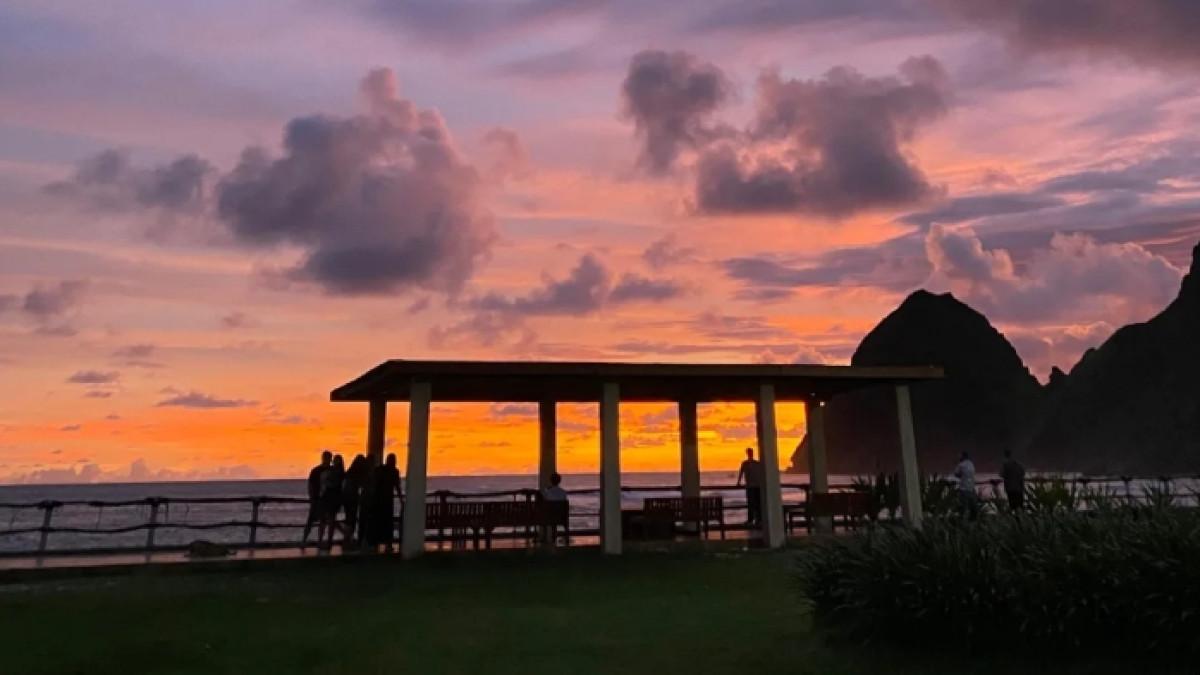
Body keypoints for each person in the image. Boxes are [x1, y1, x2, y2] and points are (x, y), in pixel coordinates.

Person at [366, 453, 402, 551]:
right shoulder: (393, 471)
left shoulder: (380, 470)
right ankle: (386, 543)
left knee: (380, 522)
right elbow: (397, 486)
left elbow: (374, 484)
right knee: (386, 523)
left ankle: (377, 543)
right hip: (385, 500)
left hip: (380, 500)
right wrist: (401, 499)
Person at [301, 450, 332, 546]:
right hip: (317, 499)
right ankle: (304, 540)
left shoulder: (331, 470)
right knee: (310, 521)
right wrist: (312, 497)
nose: (327, 459)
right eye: (326, 457)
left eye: (328, 458)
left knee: (323, 521)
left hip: (326, 499)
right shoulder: (316, 470)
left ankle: (319, 541)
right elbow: (310, 484)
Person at [318, 454, 346, 549]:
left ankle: (327, 541)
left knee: (328, 520)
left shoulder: (335, 472)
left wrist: (327, 482)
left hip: (331, 498)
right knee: (331, 520)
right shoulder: (340, 472)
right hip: (333, 498)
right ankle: (342, 536)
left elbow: (330, 483)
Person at [342, 454, 370, 545]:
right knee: (352, 519)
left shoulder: (349, 472)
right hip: (353, 498)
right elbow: (362, 485)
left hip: (347, 498)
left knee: (349, 519)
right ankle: (349, 538)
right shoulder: (358, 474)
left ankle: (347, 538)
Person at [736, 447, 764, 527]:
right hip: (751, 486)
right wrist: (738, 482)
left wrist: (739, 482)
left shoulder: (756, 463)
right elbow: (741, 473)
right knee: (751, 503)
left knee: (756, 503)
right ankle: (752, 519)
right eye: (749, 452)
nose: (750, 454)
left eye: (750, 452)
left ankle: (758, 519)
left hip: (756, 485)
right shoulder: (745, 463)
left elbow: (760, 473)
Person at [540, 472, 568, 545]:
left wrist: (547, 489)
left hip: (550, 517)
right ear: (559, 481)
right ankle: (560, 537)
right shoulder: (563, 492)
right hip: (561, 517)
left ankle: (545, 538)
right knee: (555, 514)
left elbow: (544, 500)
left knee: (546, 514)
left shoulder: (548, 492)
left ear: (551, 481)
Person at [954, 451, 978, 520]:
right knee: (973, 507)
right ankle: (972, 520)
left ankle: (963, 521)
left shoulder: (961, 465)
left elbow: (956, 473)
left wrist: (961, 476)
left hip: (964, 488)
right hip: (971, 488)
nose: (959, 457)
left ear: (963, 457)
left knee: (964, 507)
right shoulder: (971, 464)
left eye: (960, 456)